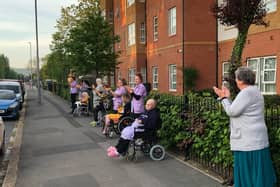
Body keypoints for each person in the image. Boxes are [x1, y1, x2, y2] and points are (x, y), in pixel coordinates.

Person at [213, 66, 277, 187]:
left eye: (236, 78)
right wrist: (227, 98)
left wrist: (222, 97)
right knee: (258, 174)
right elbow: (237, 110)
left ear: (241, 80)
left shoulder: (246, 93)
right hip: (256, 140)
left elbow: (231, 112)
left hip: (248, 142)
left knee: (248, 175)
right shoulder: (254, 91)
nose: (236, 80)